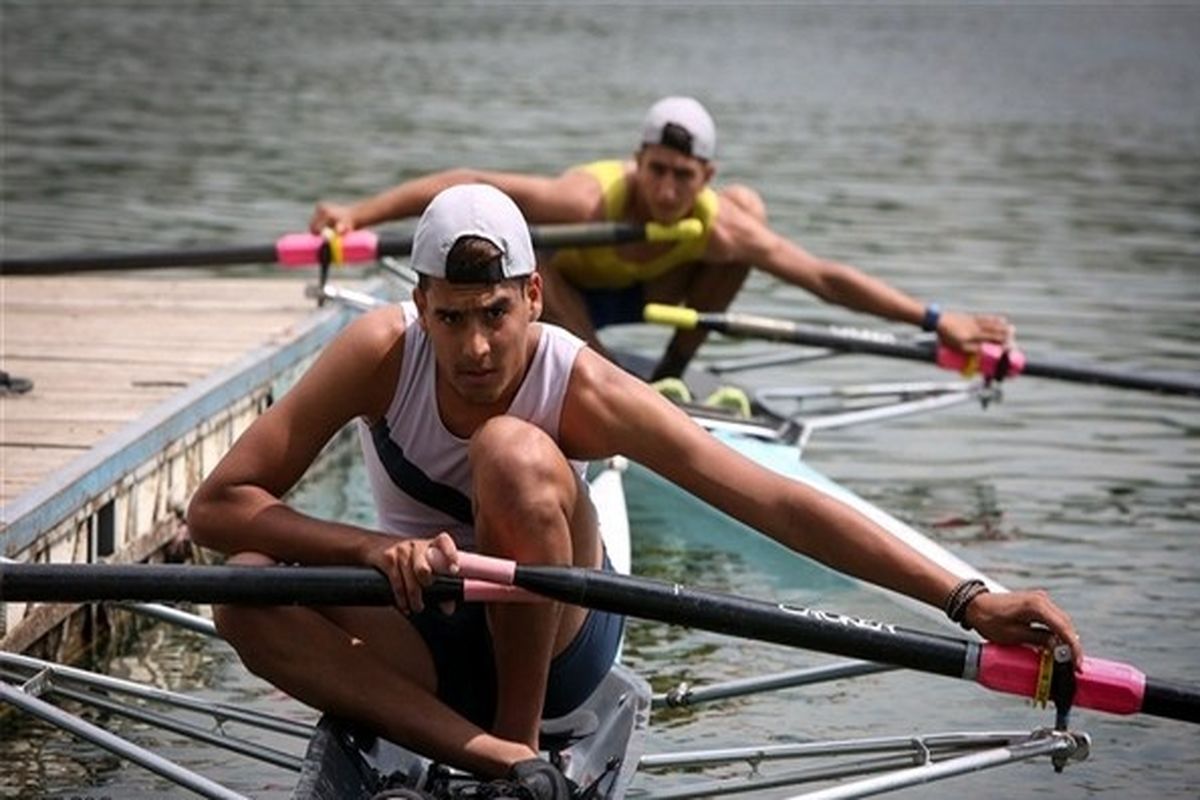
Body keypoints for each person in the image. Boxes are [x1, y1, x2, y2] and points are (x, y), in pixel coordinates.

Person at [191, 184, 1080, 799]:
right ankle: (500, 762)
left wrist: (968, 598)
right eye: (451, 318)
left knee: (509, 452)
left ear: (534, 296)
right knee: (245, 587)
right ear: (419, 304)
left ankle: (522, 744)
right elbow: (218, 505)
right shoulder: (378, 355)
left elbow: (769, 499)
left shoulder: (585, 388)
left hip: (563, 644)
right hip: (422, 635)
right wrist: (373, 549)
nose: (473, 349)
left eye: (495, 313)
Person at [310, 96, 1014, 380]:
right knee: (536, 240)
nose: (669, 190)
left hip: (654, 298)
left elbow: (822, 275)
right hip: (565, 297)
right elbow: (466, 180)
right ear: (637, 161)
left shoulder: (716, 216)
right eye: (657, 171)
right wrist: (359, 214)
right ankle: (606, 370)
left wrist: (934, 318)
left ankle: (671, 370)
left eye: (684, 176)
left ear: (704, 172)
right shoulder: (584, 196)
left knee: (750, 230)